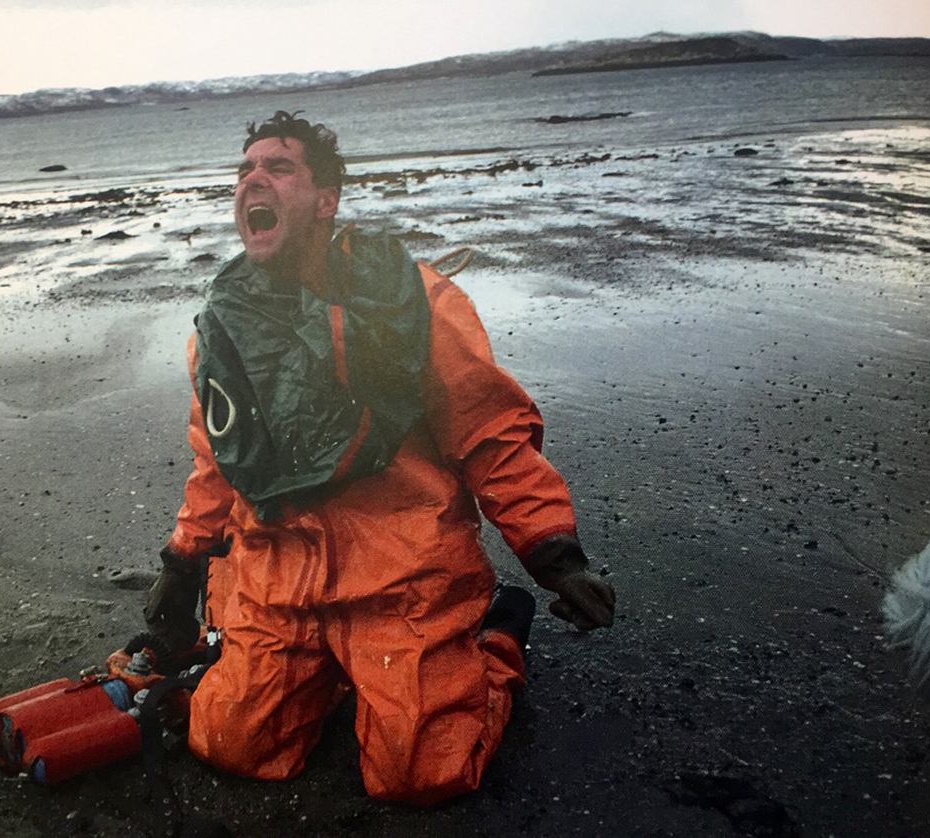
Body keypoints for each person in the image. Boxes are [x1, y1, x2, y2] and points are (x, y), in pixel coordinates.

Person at [144, 111, 615, 805]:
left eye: (278, 167)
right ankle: (327, 673)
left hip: (401, 580)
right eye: (245, 170)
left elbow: (490, 432)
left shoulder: (414, 302)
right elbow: (218, 460)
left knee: (424, 774)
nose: (253, 180)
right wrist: (182, 565)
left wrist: (554, 554)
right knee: (230, 744)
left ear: (325, 200)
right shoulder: (220, 332)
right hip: (281, 583)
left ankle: (497, 639)